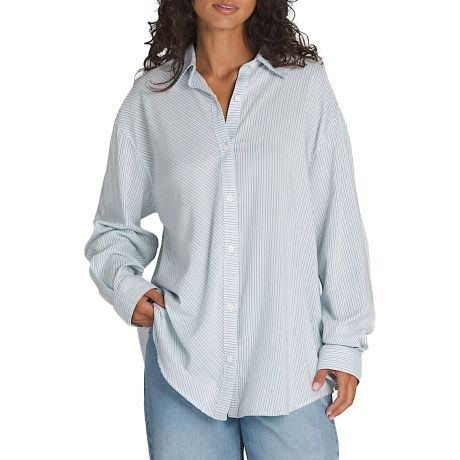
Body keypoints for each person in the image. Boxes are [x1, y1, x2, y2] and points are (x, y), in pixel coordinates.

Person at [84, 0, 375, 458]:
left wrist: (344, 344)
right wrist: (126, 288)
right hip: (184, 365)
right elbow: (113, 226)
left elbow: (338, 219)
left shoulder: (304, 86)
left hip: (291, 366)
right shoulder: (152, 99)